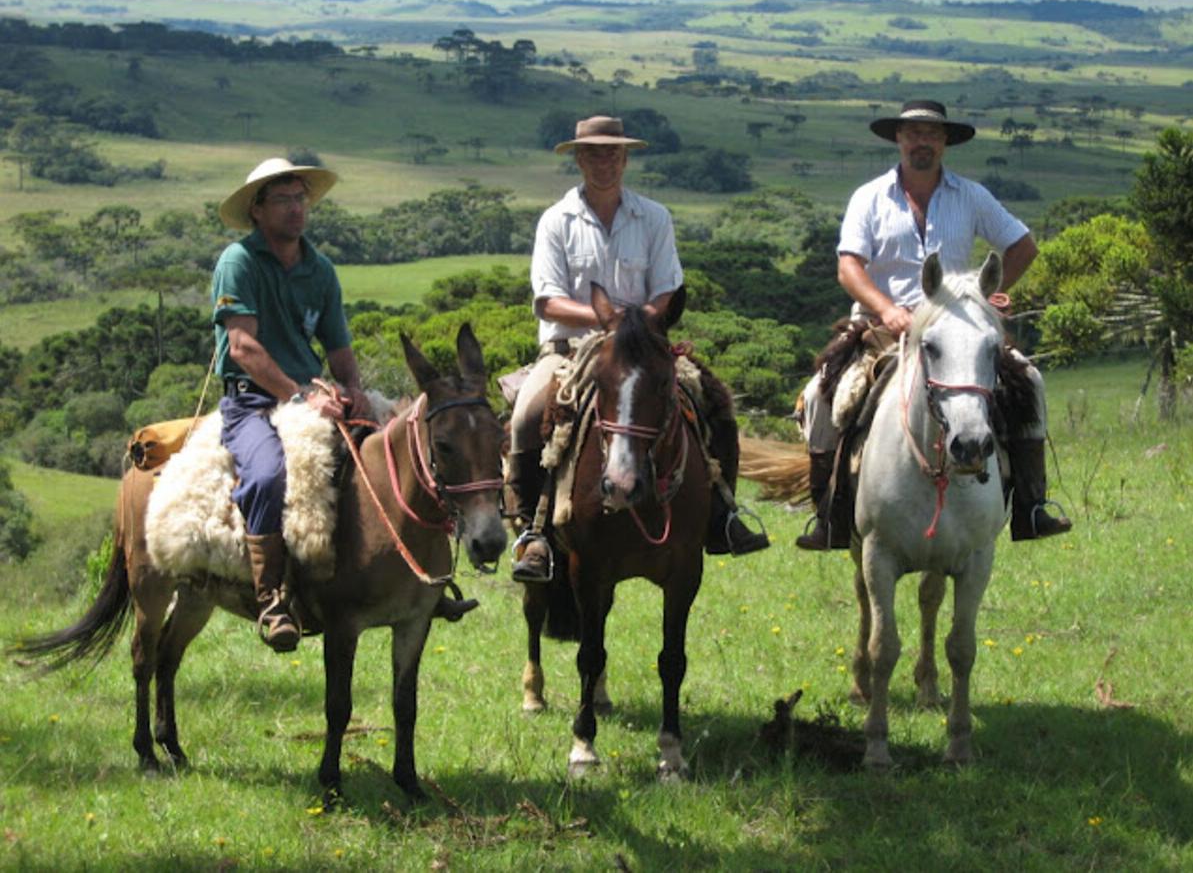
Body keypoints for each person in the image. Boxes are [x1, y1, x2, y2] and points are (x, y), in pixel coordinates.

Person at [213, 158, 474, 651]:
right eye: (284, 200)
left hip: (316, 396)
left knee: (406, 453)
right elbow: (244, 349)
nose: (296, 209)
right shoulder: (239, 262)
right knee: (268, 475)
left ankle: (425, 579)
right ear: (258, 209)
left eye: (301, 199)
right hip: (254, 402)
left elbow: (338, 350)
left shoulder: (320, 270)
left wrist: (352, 387)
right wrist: (300, 394)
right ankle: (272, 597)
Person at [797, 100, 1071, 550]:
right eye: (913, 133)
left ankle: (1031, 506)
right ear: (898, 140)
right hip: (881, 330)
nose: (921, 141)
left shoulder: (972, 195)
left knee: (1031, 381)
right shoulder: (869, 197)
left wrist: (982, 300)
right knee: (821, 394)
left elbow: (1023, 246)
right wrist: (885, 309)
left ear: (945, 142)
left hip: (956, 326)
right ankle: (829, 516)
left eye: (931, 134)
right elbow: (849, 268)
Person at [507, 116, 769, 582]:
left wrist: (637, 325)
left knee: (713, 398)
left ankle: (723, 514)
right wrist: (608, 320)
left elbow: (667, 290)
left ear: (625, 159)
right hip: (571, 347)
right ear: (578, 159)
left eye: (613, 153)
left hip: (642, 346)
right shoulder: (556, 220)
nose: (603, 161)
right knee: (528, 413)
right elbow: (548, 299)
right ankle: (534, 532)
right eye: (593, 153)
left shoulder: (654, 217)